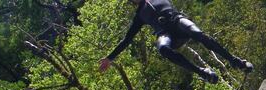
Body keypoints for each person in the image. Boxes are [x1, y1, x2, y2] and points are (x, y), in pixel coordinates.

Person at [98, 0, 253, 83]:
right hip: (166, 34)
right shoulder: (139, 16)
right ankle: (203, 73)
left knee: (198, 34)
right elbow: (127, 39)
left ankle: (236, 62)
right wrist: (109, 58)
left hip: (177, 21)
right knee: (162, 48)